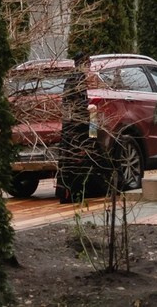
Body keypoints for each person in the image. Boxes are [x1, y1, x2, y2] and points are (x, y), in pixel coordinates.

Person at [56, 52, 94, 203]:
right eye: (88, 64)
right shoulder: (78, 79)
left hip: (69, 127)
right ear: (84, 63)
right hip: (76, 127)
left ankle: (67, 193)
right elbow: (78, 104)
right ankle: (73, 193)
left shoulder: (71, 78)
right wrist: (88, 113)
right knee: (76, 160)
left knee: (68, 160)